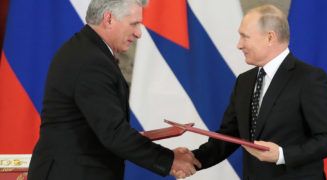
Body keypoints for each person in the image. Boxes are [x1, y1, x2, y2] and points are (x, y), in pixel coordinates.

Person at [28, 0, 200, 179]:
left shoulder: (87, 51)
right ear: (108, 19)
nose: (139, 33)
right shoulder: (91, 61)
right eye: (134, 24)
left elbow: (99, 128)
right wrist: (169, 160)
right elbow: (114, 133)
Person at [192, 4, 327, 180]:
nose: (239, 45)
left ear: (270, 37)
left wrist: (282, 154)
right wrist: (194, 159)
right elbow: (230, 134)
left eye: (244, 36)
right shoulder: (244, 81)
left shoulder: (309, 79)